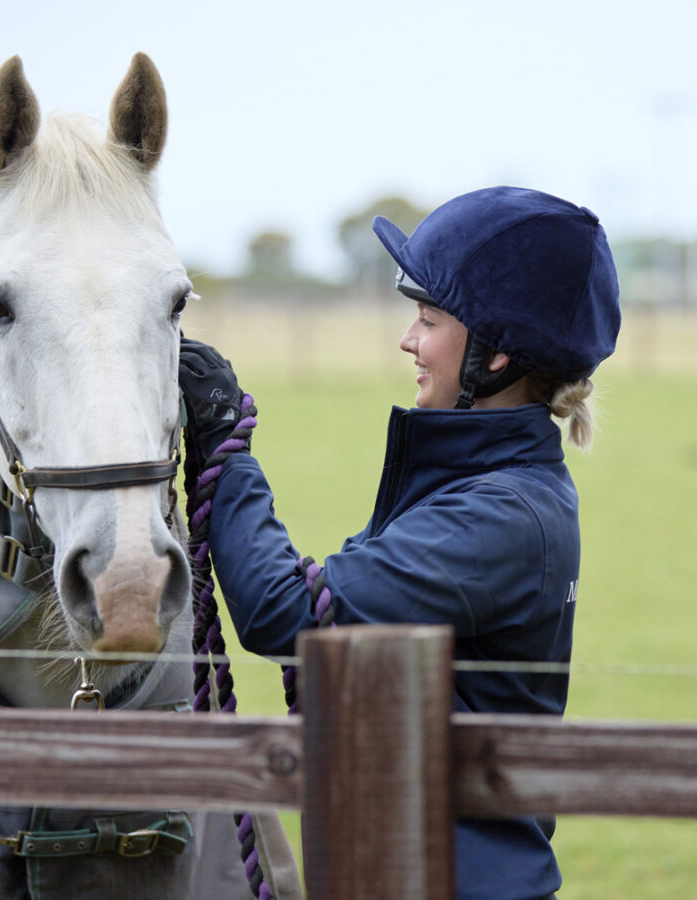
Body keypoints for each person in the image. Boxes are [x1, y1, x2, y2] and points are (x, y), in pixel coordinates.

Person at [179, 185, 620, 900]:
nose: (408, 340)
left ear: (498, 353)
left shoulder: (500, 515)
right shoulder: (479, 485)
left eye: (428, 319)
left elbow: (290, 613)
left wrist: (225, 448)